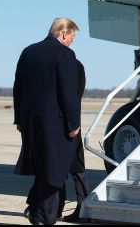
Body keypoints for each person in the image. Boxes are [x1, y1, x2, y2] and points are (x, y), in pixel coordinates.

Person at [14, 18, 81, 225]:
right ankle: (42, 219)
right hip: (57, 126)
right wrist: (73, 124)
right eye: (72, 37)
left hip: (31, 123)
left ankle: (35, 210)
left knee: (44, 169)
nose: (71, 42)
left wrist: (19, 119)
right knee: (55, 172)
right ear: (63, 33)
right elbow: (68, 94)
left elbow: (18, 88)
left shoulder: (28, 52)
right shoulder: (64, 54)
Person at [55, 58, 90, 223]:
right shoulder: (71, 64)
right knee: (61, 168)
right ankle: (57, 207)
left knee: (76, 167)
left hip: (69, 124)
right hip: (65, 123)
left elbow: (74, 96)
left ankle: (82, 208)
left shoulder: (73, 65)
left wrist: (73, 125)